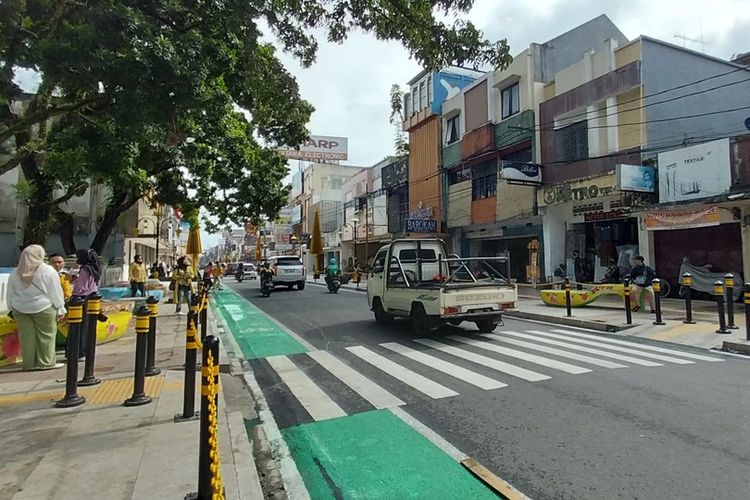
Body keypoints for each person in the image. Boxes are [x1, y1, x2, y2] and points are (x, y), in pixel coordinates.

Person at [6, 245, 67, 370]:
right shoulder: (48, 271)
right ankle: (46, 362)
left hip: (20, 308)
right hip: (44, 307)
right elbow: (55, 292)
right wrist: (61, 308)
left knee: (26, 336)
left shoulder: (15, 272)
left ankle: (28, 364)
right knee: (46, 335)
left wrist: (11, 307)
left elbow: (10, 293)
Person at [72, 248, 102, 357]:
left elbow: (81, 287)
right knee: (89, 326)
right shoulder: (95, 269)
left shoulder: (85, 269)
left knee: (80, 327)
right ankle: (87, 350)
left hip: (81, 299)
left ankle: (79, 352)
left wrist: (74, 287)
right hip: (92, 298)